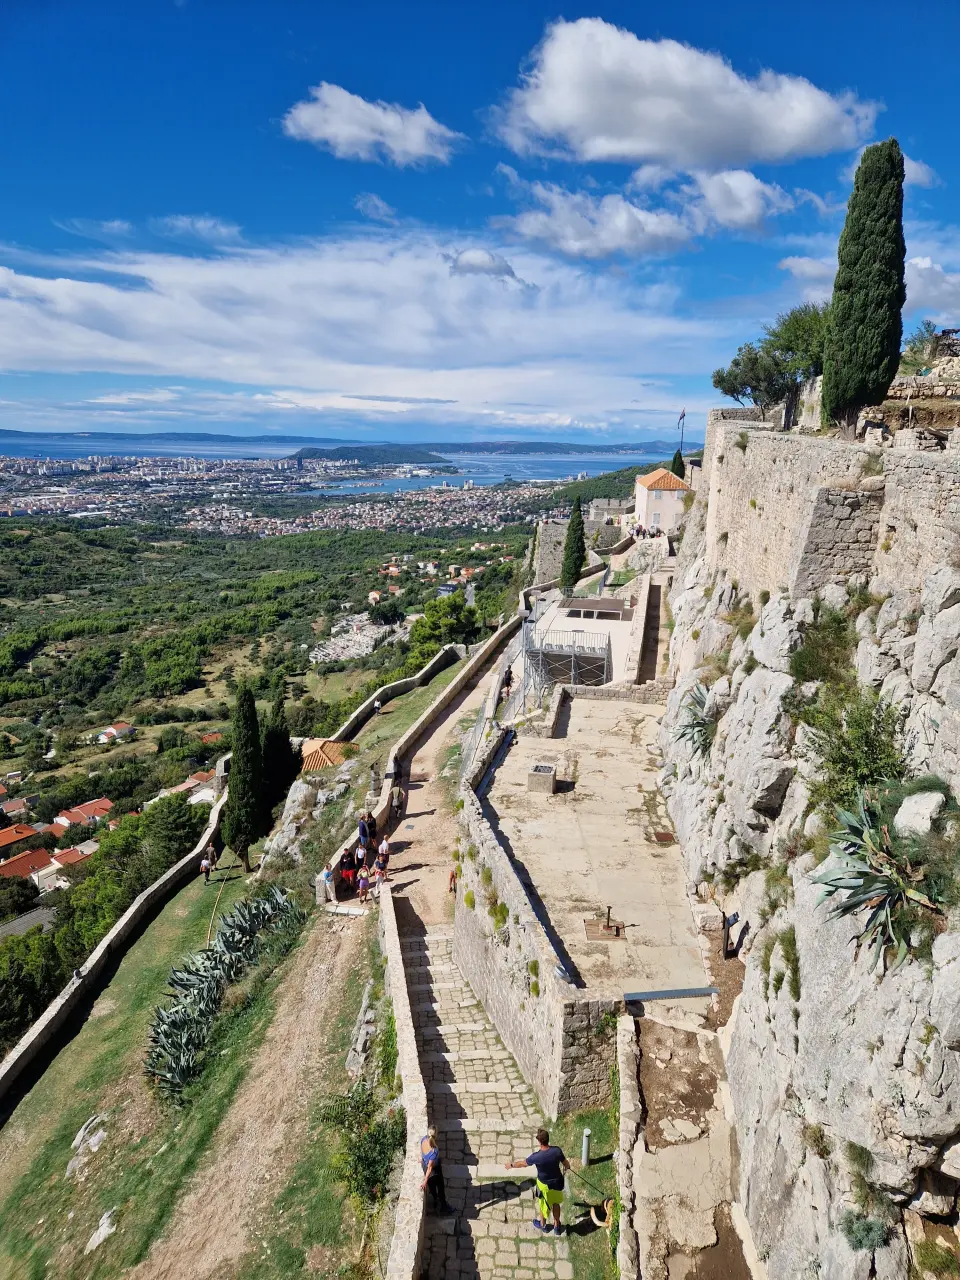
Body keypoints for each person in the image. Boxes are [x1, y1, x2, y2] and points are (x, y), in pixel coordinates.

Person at [505, 1129, 570, 1235]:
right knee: (556, 1203)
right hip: (558, 1183)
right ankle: (557, 1226)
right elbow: (566, 1164)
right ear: (548, 1139)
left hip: (544, 1186)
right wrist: (567, 1167)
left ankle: (543, 1225)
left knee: (543, 1206)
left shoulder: (536, 1157)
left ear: (539, 1142)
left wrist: (511, 1165)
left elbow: (523, 1164)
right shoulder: (557, 1151)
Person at [420, 1128, 453, 1214]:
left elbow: (422, 1154)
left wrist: (422, 1159)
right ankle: (443, 1207)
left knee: (432, 1187)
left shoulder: (423, 1139)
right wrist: (424, 1181)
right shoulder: (434, 1151)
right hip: (434, 1172)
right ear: (436, 1136)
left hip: (424, 1166)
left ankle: (435, 1200)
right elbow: (430, 1168)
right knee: (440, 1188)